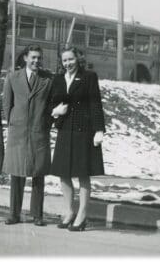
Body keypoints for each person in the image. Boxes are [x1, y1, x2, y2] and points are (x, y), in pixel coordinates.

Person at [50, 46, 106, 231]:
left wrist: (99, 130)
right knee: (63, 173)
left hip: (84, 131)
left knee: (83, 173)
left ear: (78, 59)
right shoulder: (58, 78)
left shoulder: (89, 76)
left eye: (71, 59)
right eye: (64, 61)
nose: (68, 64)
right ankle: (69, 212)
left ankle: (82, 215)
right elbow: (52, 102)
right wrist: (55, 112)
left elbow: (95, 103)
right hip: (65, 130)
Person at [2, 44, 52, 226]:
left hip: (39, 132)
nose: (36, 61)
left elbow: (51, 105)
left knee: (38, 174)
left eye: (39, 58)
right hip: (18, 132)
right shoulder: (12, 77)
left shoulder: (48, 80)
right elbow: (7, 104)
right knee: (17, 174)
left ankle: (37, 215)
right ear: (25, 58)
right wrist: (13, 123)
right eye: (33, 57)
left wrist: (46, 123)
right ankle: (14, 214)